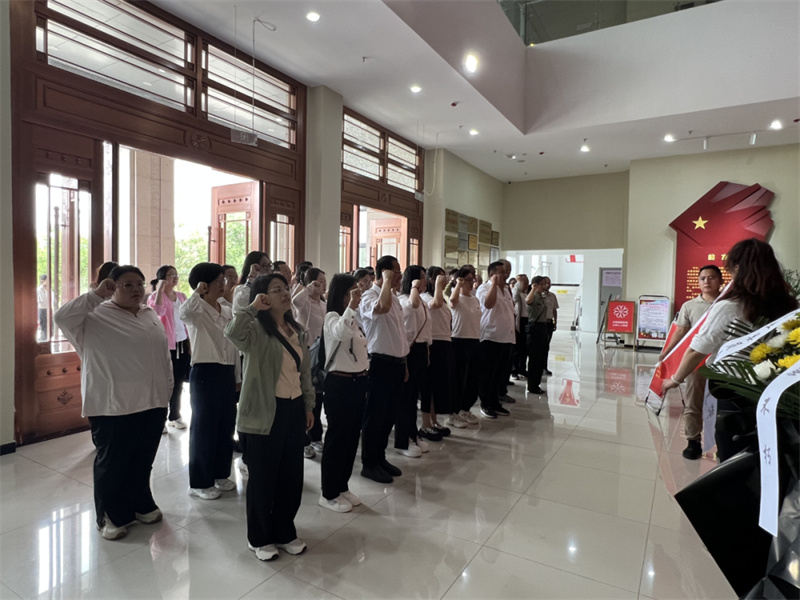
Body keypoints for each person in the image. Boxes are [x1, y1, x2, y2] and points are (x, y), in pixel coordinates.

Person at [54, 265, 171, 540]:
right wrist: (95, 295)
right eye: (127, 285)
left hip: (153, 402)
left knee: (142, 459)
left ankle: (140, 504)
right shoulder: (93, 316)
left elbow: (161, 355)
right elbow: (61, 317)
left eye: (139, 284)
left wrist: (167, 390)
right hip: (113, 406)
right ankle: (110, 516)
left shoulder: (148, 313)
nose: (135, 289)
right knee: (114, 464)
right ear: (111, 287)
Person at [662, 239, 798, 461]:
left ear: (737, 269)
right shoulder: (789, 305)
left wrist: (675, 379)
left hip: (735, 389)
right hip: (774, 388)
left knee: (733, 453)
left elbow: (697, 350)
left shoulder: (729, 307)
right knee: (765, 451)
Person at [224, 273, 315, 561]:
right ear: (263, 296)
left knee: (291, 475)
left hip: (293, 408)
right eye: (276, 290)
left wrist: (309, 405)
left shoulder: (297, 331)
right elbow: (231, 333)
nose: (285, 293)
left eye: (285, 288)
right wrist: (252, 308)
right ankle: (260, 537)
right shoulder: (255, 331)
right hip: (264, 412)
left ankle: (284, 531)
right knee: (263, 478)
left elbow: (304, 373)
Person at [180, 262, 239, 500]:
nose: (222, 284)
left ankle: (220, 473)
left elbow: (233, 345)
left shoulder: (226, 309)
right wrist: (197, 292)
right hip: (205, 372)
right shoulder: (196, 310)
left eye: (223, 279)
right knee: (204, 427)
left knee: (225, 425)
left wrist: (237, 376)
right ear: (204, 284)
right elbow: (183, 313)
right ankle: (200, 482)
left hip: (226, 371)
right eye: (217, 280)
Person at [658, 265, 723, 459]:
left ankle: (722, 441)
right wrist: (666, 352)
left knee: (721, 401)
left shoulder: (728, 303)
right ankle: (693, 439)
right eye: (702, 278)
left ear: (721, 281)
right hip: (697, 361)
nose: (706, 281)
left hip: (722, 361)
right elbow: (680, 331)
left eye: (711, 277)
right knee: (693, 400)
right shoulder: (690, 306)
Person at [318, 274, 369, 512]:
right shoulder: (332, 317)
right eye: (350, 292)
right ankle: (328, 492)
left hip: (358, 382)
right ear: (340, 294)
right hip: (339, 383)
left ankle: (342, 486)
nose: (355, 296)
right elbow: (341, 333)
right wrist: (351, 308)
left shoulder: (354, 319)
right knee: (337, 439)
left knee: (351, 438)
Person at [358, 255, 409, 483]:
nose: (400, 276)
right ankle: (369, 463)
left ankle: (380, 458)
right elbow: (381, 307)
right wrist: (387, 281)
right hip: (379, 363)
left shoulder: (395, 297)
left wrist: (404, 363)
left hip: (397, 363)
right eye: (396, 272)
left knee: (389, 415)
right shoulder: (369, 296)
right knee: (375, 416)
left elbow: (400, 334)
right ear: (385, 272)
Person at [148, 265, 191, 430]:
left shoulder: (181, 296)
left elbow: (187, 320)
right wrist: (159, 290)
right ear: (162, 279)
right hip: (166, 345)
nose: (175, 277)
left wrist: (189, 343)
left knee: (178, 381)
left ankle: (175, 415)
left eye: (176, 274)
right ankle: (160, 419)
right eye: (171, 275)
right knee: (164, 382)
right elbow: (158, 312)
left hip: (182, 342)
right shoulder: (155, 296)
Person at [292, 267, 327, 458]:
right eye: (319, 281)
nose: (323, 284)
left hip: (321, 355)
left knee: (317, 396)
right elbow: (295, 302)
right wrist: (307, 289)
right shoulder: (304, 302)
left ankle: (315, 437)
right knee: (304, 397)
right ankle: (303, 440)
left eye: (324, 281)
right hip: (306, 353)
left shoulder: (323, 304)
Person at [397, 265, 432, 455]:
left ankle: (413, 433)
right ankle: (404, 440)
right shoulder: (404, 300)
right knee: (406, 399)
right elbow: (412, 308)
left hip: (420, 350)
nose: (425, 281)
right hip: (408, 351)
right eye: (421, 277)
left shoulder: (421, 300)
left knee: (413, 398)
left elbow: (425, 328)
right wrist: (414, 288)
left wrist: (427, 350)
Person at [475, 261, 514, 418]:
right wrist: (494, 284)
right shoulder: (484, 288)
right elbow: (488, 304)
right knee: (487, 374)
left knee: (499, 374)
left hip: (506, 338)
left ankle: (495, 403)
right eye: (502, 272)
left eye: (506, 271)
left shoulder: (506, 289)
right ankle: (486, 404)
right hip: (490, 337)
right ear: (492, 274)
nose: (506, 274)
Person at [419, 266, 453, 439]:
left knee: (438, 385)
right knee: (429, 385)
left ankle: (434, 420)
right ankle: (425, 423)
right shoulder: (425, 297)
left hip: (444, 342)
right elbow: (436, 304)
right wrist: (439, 285)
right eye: (439, 277)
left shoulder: (439, 297)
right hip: (433, 343)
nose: (444, 279)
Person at [448, 267, 481, 427]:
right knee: (459, 378)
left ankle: (465, 409)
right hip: (459, 341)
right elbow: (452, 303)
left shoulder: (475, 299)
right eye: (467, 280)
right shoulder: (456, 296)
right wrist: (458, 286)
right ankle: (453, 413)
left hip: (474, 340)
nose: (470, 283)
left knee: (472, 379)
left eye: (471, 279)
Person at [526, 276, 549, 395]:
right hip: (535, 327)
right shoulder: (533, 295)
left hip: (543, 327)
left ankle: (537, 383)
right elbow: (527, 301)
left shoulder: (541, 296)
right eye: (542, 284)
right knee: (535, 358)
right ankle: (532, 385)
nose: (544, 286)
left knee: (540, 357)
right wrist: (533, 289)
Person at [511, 274, 530, 380]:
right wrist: (518, 284)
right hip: (519, 321)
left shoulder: (527, 294)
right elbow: (514, 297)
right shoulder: (516, 293)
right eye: (524, 283)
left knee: (524, 348)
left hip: (527, 321)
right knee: (517, 348)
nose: (526, 285)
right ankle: (514, 370)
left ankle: (522, 368)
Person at [541, 277, 559, 376]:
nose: (548, 285)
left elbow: (554, 310)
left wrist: (555, 322)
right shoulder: (538, 295)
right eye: (546, 283)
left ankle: (544, 367)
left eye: (549, 283)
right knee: (540, 346)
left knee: (546, 346)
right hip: (540, 323)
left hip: (549, 323)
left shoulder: (552, 296)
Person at [37, 274, 49, 341]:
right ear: (42, 281)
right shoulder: (39, 289)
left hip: (48, 308)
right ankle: (43, 337)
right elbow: (40, 301)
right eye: (47, 280)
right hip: (42, 308)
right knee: (43, 324)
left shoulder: (49, 289)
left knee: (49, 323)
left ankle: (47, 336)